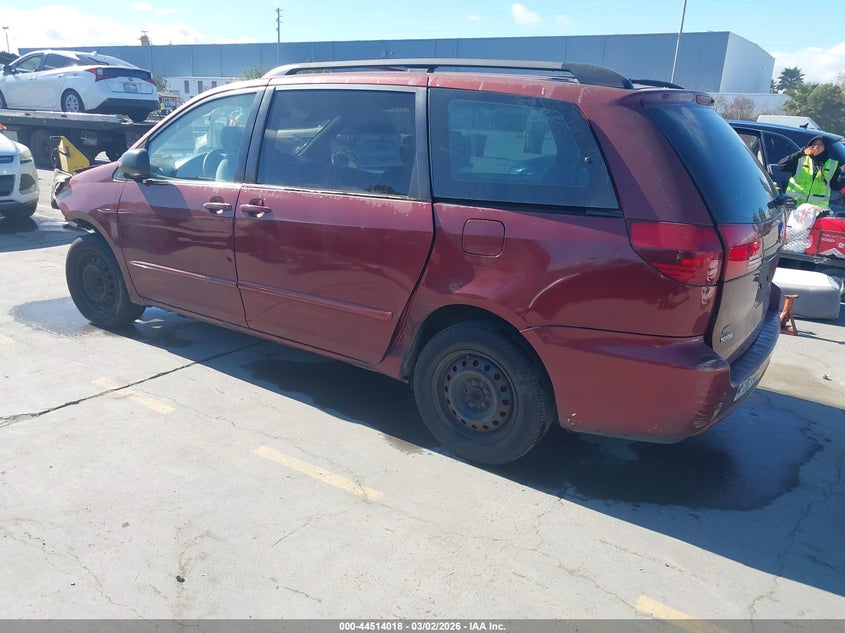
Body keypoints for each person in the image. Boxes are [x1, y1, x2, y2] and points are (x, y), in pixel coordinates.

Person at [777, 135, 845, 212]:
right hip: (795, 207)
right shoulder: (801, 159)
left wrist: (842, 176)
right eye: (814, 144)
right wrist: (800, 153)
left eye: (820, 144)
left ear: (825, 148)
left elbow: (835, 186)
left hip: (816, 211)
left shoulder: (832, 165)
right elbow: (781, 166)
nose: (816, 146)